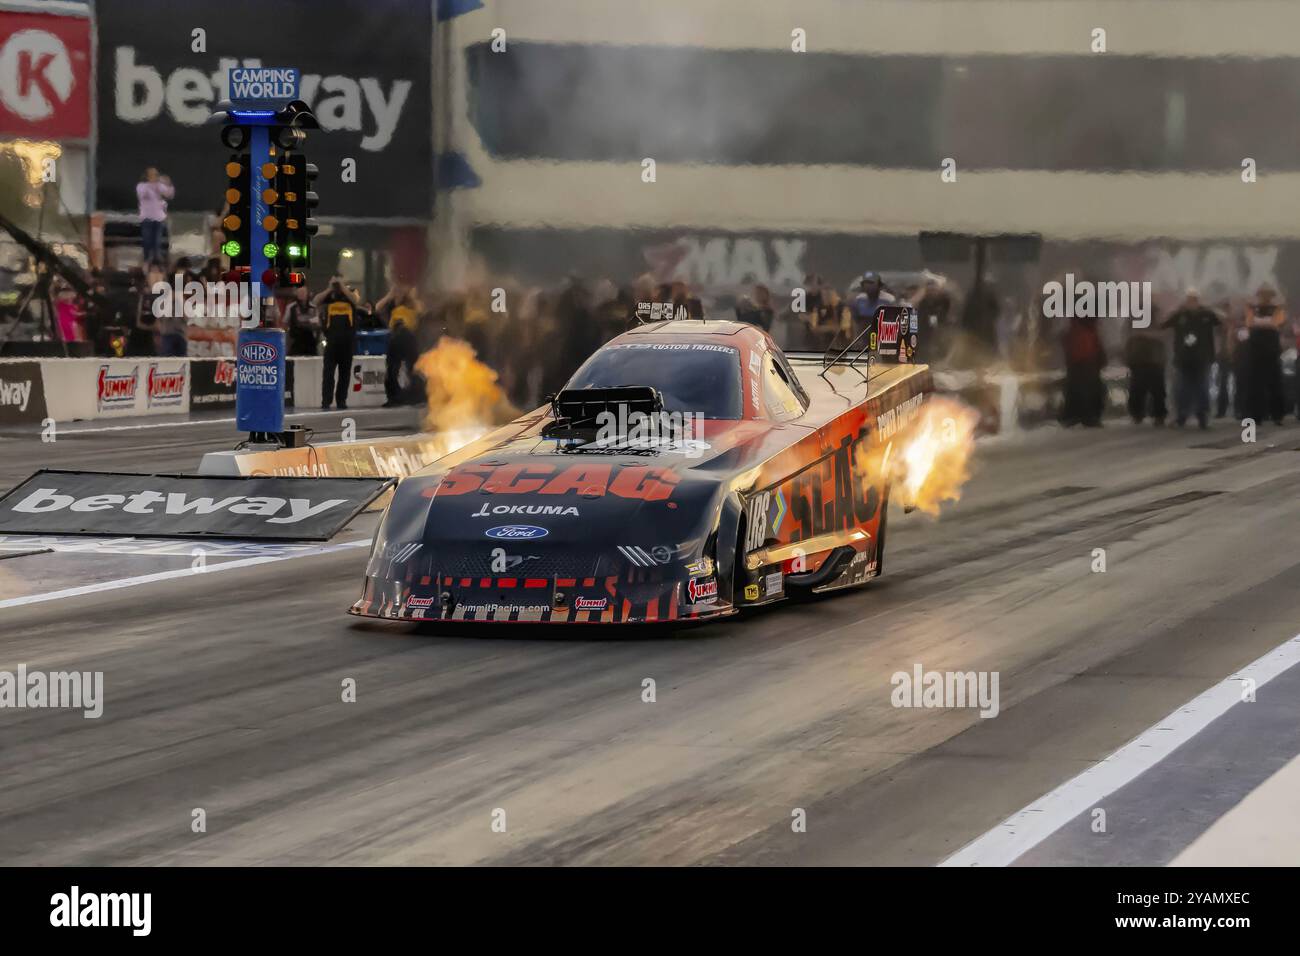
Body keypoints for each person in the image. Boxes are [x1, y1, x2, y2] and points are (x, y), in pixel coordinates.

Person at [1161, 287, 1219, 429]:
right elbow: (1163, 323)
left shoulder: (1207, 314)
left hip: (1203, 357)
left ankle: (1203, 417)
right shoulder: (1180, 315)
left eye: (1194, 300)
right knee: (1182, 388)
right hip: (1183, 358)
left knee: (1203, 388)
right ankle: (1181, 416)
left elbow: (1222, 320)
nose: (1192, 303)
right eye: (1189, 300)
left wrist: (1209, 308)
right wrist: (1176, 309)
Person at [313, 276, 361, 410]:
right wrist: (329, 288)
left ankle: (341, 401)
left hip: (347, 341)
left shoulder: (351, 292)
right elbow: (315, 301)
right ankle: (326, 401)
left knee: (345, 373)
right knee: (328, 373)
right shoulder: (329, 295)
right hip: (331, 340)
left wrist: (343, 287)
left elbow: (355, 300)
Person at [1241, 284, 1286, 425]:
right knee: (1255, 384)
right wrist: (1266, 323)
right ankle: (1256, 416)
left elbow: (1277, 323)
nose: (1265, 297)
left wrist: (1260, 323)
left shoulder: (1277, 309)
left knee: (1275, 383)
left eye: (1267, 295)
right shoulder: (1252, 308)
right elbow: (1249, 323)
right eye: (1262, 294)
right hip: (1255, 350)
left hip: (1272, 350)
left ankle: (1277, 416)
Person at [376, 283, 421, 406]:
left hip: (408, 336)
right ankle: (394, 397)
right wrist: (391, 294)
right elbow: (378, 308)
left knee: (413, 368)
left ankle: (416, 395)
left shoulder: (411, 305)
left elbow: (419, 308)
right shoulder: (392, 308)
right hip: (395, 336)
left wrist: (406, 293)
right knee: (392, 369)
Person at [1060, 313, 1106, 427]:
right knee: (1090, 389)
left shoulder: (1074, 327)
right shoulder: (1087, 328)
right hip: (1086, 361)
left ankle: (1073, 416)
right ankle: (1089, 417)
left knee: (1077, 388)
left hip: (1078, 362)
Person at [1124, 316, 1167, 425]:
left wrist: (1146, 334)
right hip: (1138, 357)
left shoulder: (1158, 314)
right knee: (1137, 388)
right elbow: (1127, 335)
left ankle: (1159, 415)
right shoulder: (1132, 316)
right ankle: (1137, 414)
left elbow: (1165, 334)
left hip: (1155, 358)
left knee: (1157, 390)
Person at [136, 168, 174, 267]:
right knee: (147, 241)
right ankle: (147, 261)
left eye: (156, 174)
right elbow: (143, 194)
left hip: (158, 218)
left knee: (157, 241)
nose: (155, 177)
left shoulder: (159, 185)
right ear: (147, 176)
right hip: (147, 218)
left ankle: (157, 264)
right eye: (152, 175)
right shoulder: (141, 186)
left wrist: (168, 184)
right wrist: (153, 186)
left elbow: (170, 194)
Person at [848, 272, 895, 337]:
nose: (868, 286)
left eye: (871, 283)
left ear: (878, 285)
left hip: (882, 334)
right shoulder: (859, 299)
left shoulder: (889, 299)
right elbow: (855, 321)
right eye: (865, 283)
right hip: (864, 335)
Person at [284, 285, 320, 356]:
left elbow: (317, 324)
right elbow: (285, 322)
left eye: (303, 292)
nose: (302, 294)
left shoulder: (313, 308)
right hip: (295, 340)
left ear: (307, 293)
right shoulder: (291, 307)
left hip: (310, 341)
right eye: (299, 292)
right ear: (296, 294)